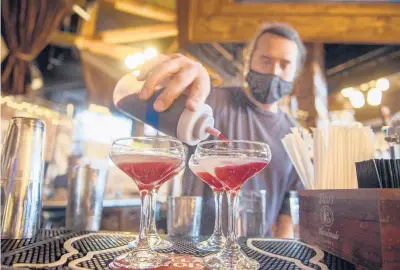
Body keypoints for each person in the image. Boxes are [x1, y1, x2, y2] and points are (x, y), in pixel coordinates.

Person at [136, 22, 306, 238]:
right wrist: (182, 79)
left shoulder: (295, 135)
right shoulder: (214, 101)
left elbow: (288, 208)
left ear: (295, 73)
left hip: (258, 251)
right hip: (196, 244)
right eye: (266, 60)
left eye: (284, 64)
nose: (274, 71)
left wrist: (282, 256)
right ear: (249, 60)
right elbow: (159, 109)